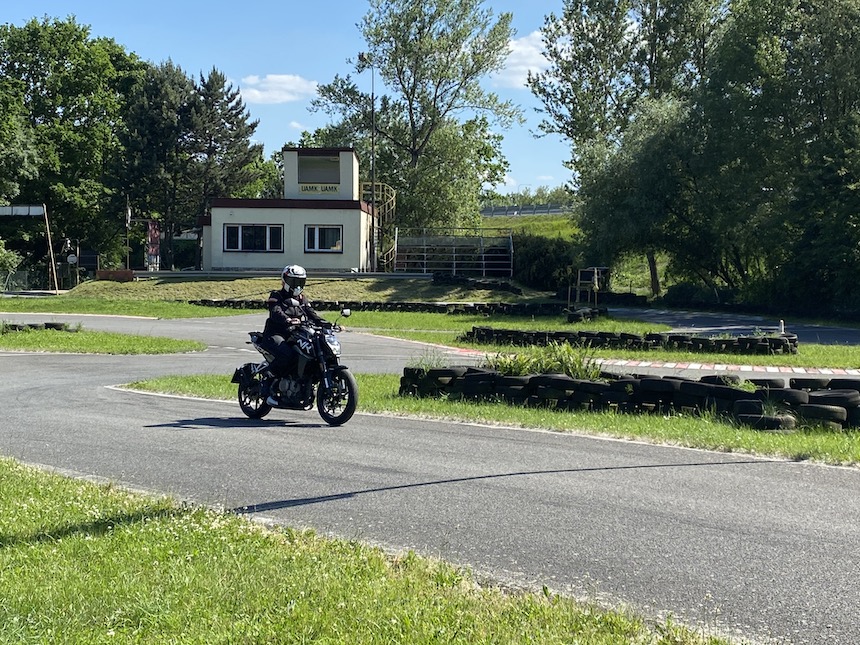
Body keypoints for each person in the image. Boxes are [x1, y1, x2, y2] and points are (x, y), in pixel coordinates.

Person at [262, 265, 327, 405]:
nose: (297, 285)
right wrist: (287, 319)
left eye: (300, 282)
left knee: (310, 353)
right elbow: (276, 311)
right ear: (284, 281)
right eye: (293, 281)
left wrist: (326, 324)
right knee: (287, 355)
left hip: (295, 334)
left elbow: (311, 314)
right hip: (276, 334)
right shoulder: (276, 295)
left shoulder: (302, 299)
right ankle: (267, 385)